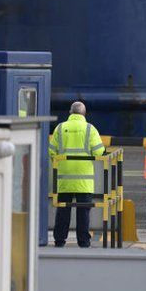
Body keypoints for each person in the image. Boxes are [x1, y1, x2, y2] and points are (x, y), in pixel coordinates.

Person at [49, 101, 105, 247]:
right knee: (83, 212)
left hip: (64, 178)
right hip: (83, 180)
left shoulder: (60, 128)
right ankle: (83, 242)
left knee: (63, 210)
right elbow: (99, 151)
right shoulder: (89, 129)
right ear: (84, 113)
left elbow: (51, 151)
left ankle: (60, 240)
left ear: (70, 112)